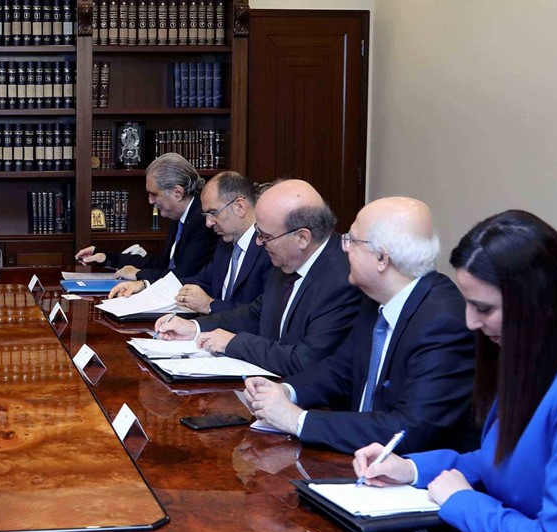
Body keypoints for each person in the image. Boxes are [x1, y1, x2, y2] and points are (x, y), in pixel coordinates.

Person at [354, 210, 557, 532]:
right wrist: (411, 469)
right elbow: (505, 460)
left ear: (537, 304)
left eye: (484, 308)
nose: (470, 322)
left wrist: (461, 501)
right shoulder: (531, 354)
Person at [244, 197, 476, 454]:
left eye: (352, 240)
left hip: (405, 470)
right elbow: (341, 369)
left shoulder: (443, 322)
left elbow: (410, 429)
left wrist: (297, 420)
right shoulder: (375, 299)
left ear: (381, 258)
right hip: (358, 457)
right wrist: (286, 391)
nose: (344, 249)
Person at [155, 179, 365, 376]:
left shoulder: (342, 281)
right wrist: (194, 328)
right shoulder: (288, 259)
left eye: (266, 236)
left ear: (302, 237)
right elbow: (256, 314)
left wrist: (234, 343)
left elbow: (306, 360)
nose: (258, 243)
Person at [108, 171, 271, 316]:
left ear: (239, 207)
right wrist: (145, 286)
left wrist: (210, 305)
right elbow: (199, 281)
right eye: (206, 215)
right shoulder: (226, 244)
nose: (208, 223)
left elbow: (261, 314)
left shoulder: (269, 249)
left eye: (213, 213)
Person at [75, 153, 216, 282]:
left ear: (177, 192)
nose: (150, 201)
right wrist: (107, 258)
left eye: (154, 194)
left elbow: (183, 276)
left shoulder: (203, 221)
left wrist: (139, 274)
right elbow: (162, 263)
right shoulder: (180, 215)